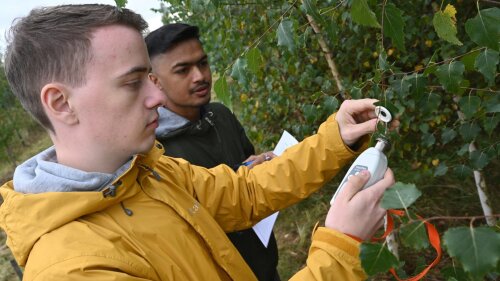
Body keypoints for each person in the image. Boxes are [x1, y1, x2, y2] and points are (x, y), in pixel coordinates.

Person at [0, 4, 395, 281]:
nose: (156, 97)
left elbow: (245, 192)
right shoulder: (75, 269)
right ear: (61, 103)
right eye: (133, 82)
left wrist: (334, 138)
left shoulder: (148, 172)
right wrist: (341, 249)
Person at [145, 23, 280, 281]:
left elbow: (246, 173)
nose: (199, 76)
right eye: (183, 70)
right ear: (155, 81)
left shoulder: (221, 115)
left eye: (202, 63)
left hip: (265, 264)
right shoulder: (154, 152)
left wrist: (262, 166)